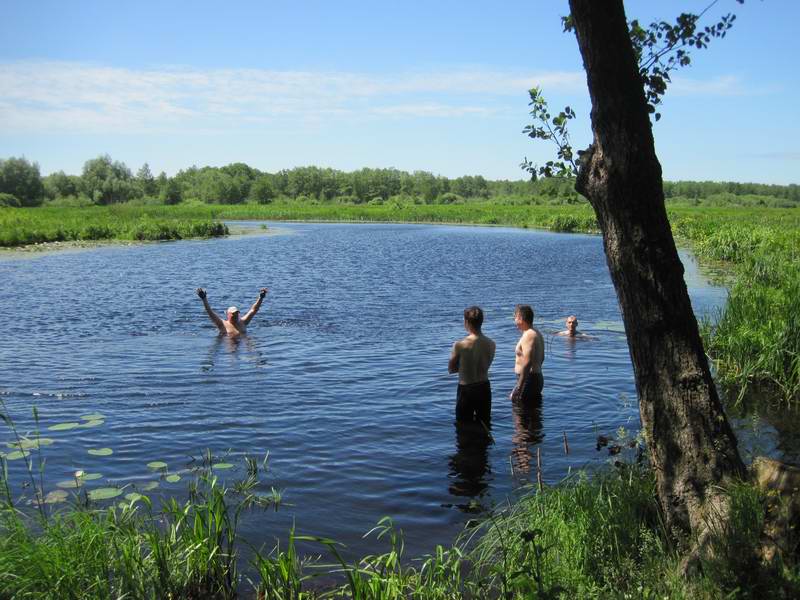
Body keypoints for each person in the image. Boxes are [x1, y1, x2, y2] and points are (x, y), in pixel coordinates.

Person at [448, 306, 496, 424]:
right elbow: (486, 365)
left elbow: (451, 369)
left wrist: (465, 368)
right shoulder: (491, 344)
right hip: (484, 388)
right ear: (482, 321)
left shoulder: (459, 345)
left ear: (466, 322)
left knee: (463, 425)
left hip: (466, 390)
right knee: (484, 423)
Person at [196, 287, 268, 335]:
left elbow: (253, 310)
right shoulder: (222, 324)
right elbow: (209, 312)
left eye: (236, 313)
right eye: (233, 314)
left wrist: (261, 297)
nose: (235, 316)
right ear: (228, 314)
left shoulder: (243, 322)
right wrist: (204, 299)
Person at [510, 304, 545, 401]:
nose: (515, 321)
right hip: (533, 378)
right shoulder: (536, 333)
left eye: (515, 318)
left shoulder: (529, 335)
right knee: (532, 414)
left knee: (520, 413)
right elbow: (542, 358)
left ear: (520, 318)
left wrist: (519, 387)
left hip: (529, 380)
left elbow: (528, 362)